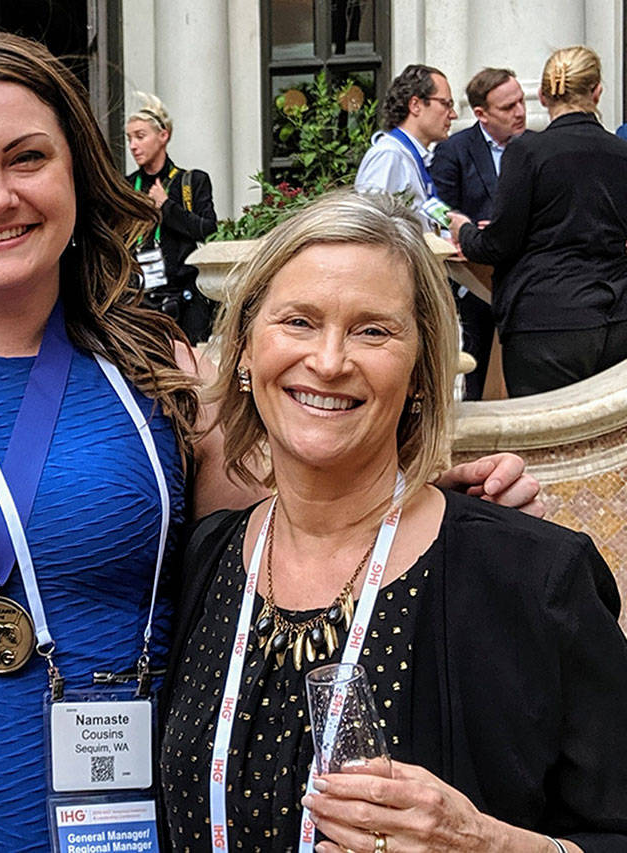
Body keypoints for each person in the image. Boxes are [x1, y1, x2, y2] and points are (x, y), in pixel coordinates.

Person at [0, 30, 539, 851]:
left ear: (80, 177)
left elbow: (296, 548)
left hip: (124, 830)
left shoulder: (162, 371)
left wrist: (441, 504)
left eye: (27, 159)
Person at [160, 191, 627, 853]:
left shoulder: (530, 578)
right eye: (297, 321)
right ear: (242, 349)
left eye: (372, 330)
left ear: (417, 372)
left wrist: (490, 844)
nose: (328, 360)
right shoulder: (207, 560)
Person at [450, 46, 627, 398]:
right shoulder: (621, 153)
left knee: (544, 442)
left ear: (544, 96)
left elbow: (498, 244)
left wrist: (463, 230)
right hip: (617, 313)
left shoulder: (528, 151)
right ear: (597, 92)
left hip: (545, 318)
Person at [429, 68, 528, 399]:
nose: (520, 112)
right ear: (481, 114)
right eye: (508, 107)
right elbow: (440, 210)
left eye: (522, 101)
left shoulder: (535, 148)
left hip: (528, 280)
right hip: (476, 282)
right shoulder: (455, 150)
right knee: (480, 370)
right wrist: (468, 228)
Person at [125, 93, 219, 342]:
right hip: (139, 300)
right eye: (129, 138)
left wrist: (166, 206)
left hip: (185, 299)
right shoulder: (125, 187)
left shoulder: (192, 181)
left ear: (163, 135)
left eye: (140, 136)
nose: (133, 145)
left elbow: (207, 229)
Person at [355, 64, 457, 231]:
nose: (453, 114)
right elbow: (369, 226)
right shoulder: (388, 155)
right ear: (415, 105)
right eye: (446, 104)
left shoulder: (412, 155)